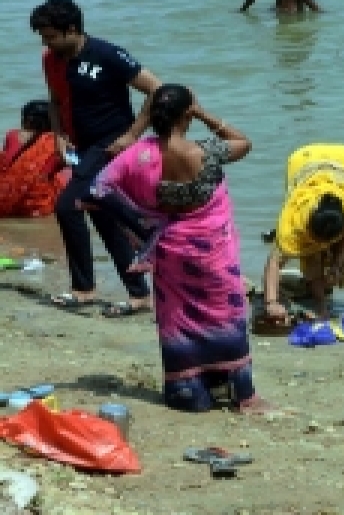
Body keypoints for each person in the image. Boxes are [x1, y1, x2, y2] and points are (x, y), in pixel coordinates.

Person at [89, 85, 270, 413]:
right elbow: (244, 143)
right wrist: (204, 113)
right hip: (213, 249)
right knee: (224, 313)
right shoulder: (203, 152)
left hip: (170, 249)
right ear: (188, 114)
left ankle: (188, 390)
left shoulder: (138, 156)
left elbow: (98, 187)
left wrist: (140, 225)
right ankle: (242, 394)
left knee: (179, 318)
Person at [31, 0, 162, 316]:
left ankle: (83, 288)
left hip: (110, 144)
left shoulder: (106, 54)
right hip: (81, 147)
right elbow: (54, 99)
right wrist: (59, 136)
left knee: (68, 205)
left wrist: (132, 135)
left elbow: (158, 89)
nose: (46, 44)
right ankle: (138, 294)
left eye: (50, 36)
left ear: (72, 29)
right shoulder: (52, 59)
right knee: (103, 217)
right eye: (43, 37)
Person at [261, 144, 344, 320]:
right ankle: (320, 304)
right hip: (304, 161)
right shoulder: (293, 224)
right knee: (311, 254)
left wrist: (338, 262)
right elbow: (274, 262)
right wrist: (271, 302)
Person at [0, 101, 70, 218]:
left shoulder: (12, 135)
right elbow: (75, 166)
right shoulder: (58, 142)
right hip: (35, 205)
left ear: (26, 121)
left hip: (4, 199)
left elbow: (8, 165)